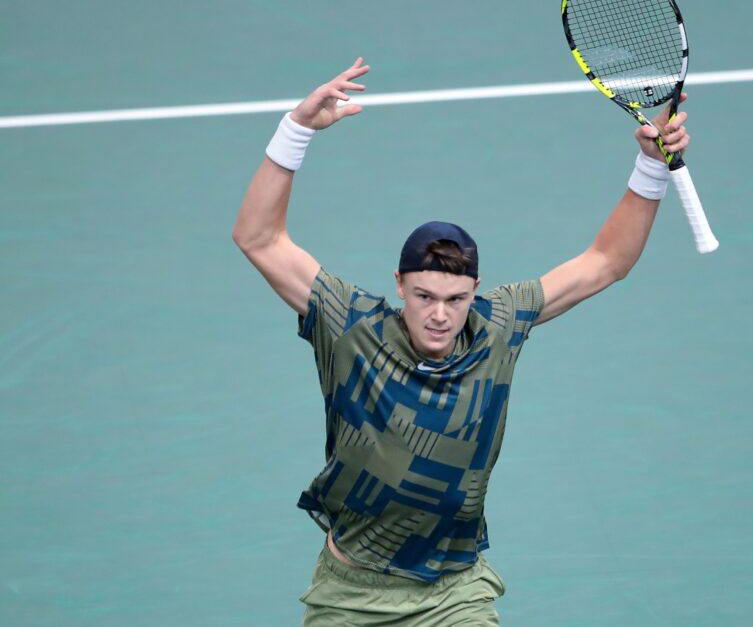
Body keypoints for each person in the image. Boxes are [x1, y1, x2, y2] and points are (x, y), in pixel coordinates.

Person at [232, 57, 690, 626]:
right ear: (399, 285)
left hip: (455, 592)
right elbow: (257, 237)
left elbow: (606, 262)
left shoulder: (500, 324)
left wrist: (650, 168)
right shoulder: (350, 326)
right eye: (424, 297)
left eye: (455, 299)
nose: (440, 316)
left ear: (475, 290)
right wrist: (295, 129)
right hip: (351, 593)